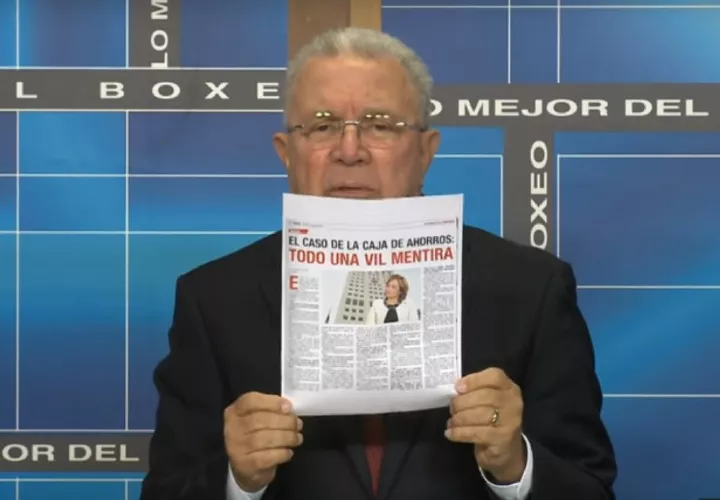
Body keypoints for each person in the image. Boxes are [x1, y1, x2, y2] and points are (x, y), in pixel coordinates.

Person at [140, 27, 617, 500]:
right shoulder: (214, 300)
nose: (350, 152)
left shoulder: (531, 289)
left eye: (380, 125)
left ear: (426, 151)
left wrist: (516, 465)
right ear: (286, 153)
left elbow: (591, 489)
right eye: (322, 126)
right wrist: (238, 482)